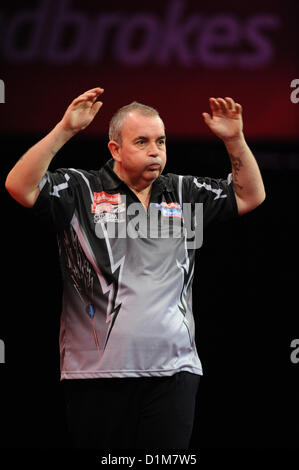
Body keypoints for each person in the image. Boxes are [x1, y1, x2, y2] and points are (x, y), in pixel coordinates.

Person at [5, 87, 265, 449]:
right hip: (95, 375)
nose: (155, 150)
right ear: (115, 149)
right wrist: (65, 129)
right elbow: (19, 185)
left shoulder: (184, 191)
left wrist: (235, 139)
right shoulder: (81, 189)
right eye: (141, 141)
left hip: (175, 371)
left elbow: (249, 195)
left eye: (160, 141)